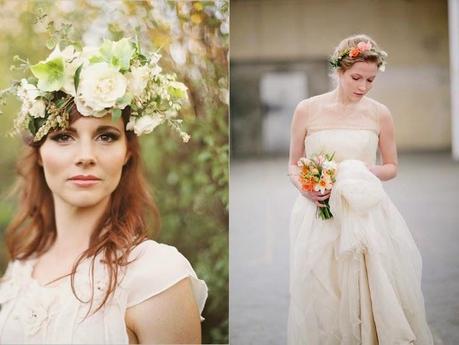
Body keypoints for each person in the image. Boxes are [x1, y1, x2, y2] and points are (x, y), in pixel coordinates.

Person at [0, 37, 207, 344]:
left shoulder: (156, 274)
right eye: (63, 137)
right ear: (40, 154)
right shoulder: (21, 268)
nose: (86, 156)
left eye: (106, 136)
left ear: (127, 153)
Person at [287, 34, 433, 344]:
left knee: (371, 286)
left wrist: (362, 171)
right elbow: (292, 164)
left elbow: (392, 166)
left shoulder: (380, 113)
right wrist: (308, 188)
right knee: (326, 290)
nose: (363, 87)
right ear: (338, 70)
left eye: (370, 80)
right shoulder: (307, 110)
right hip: (320, 213)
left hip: (366, 213)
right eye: (356, 77)